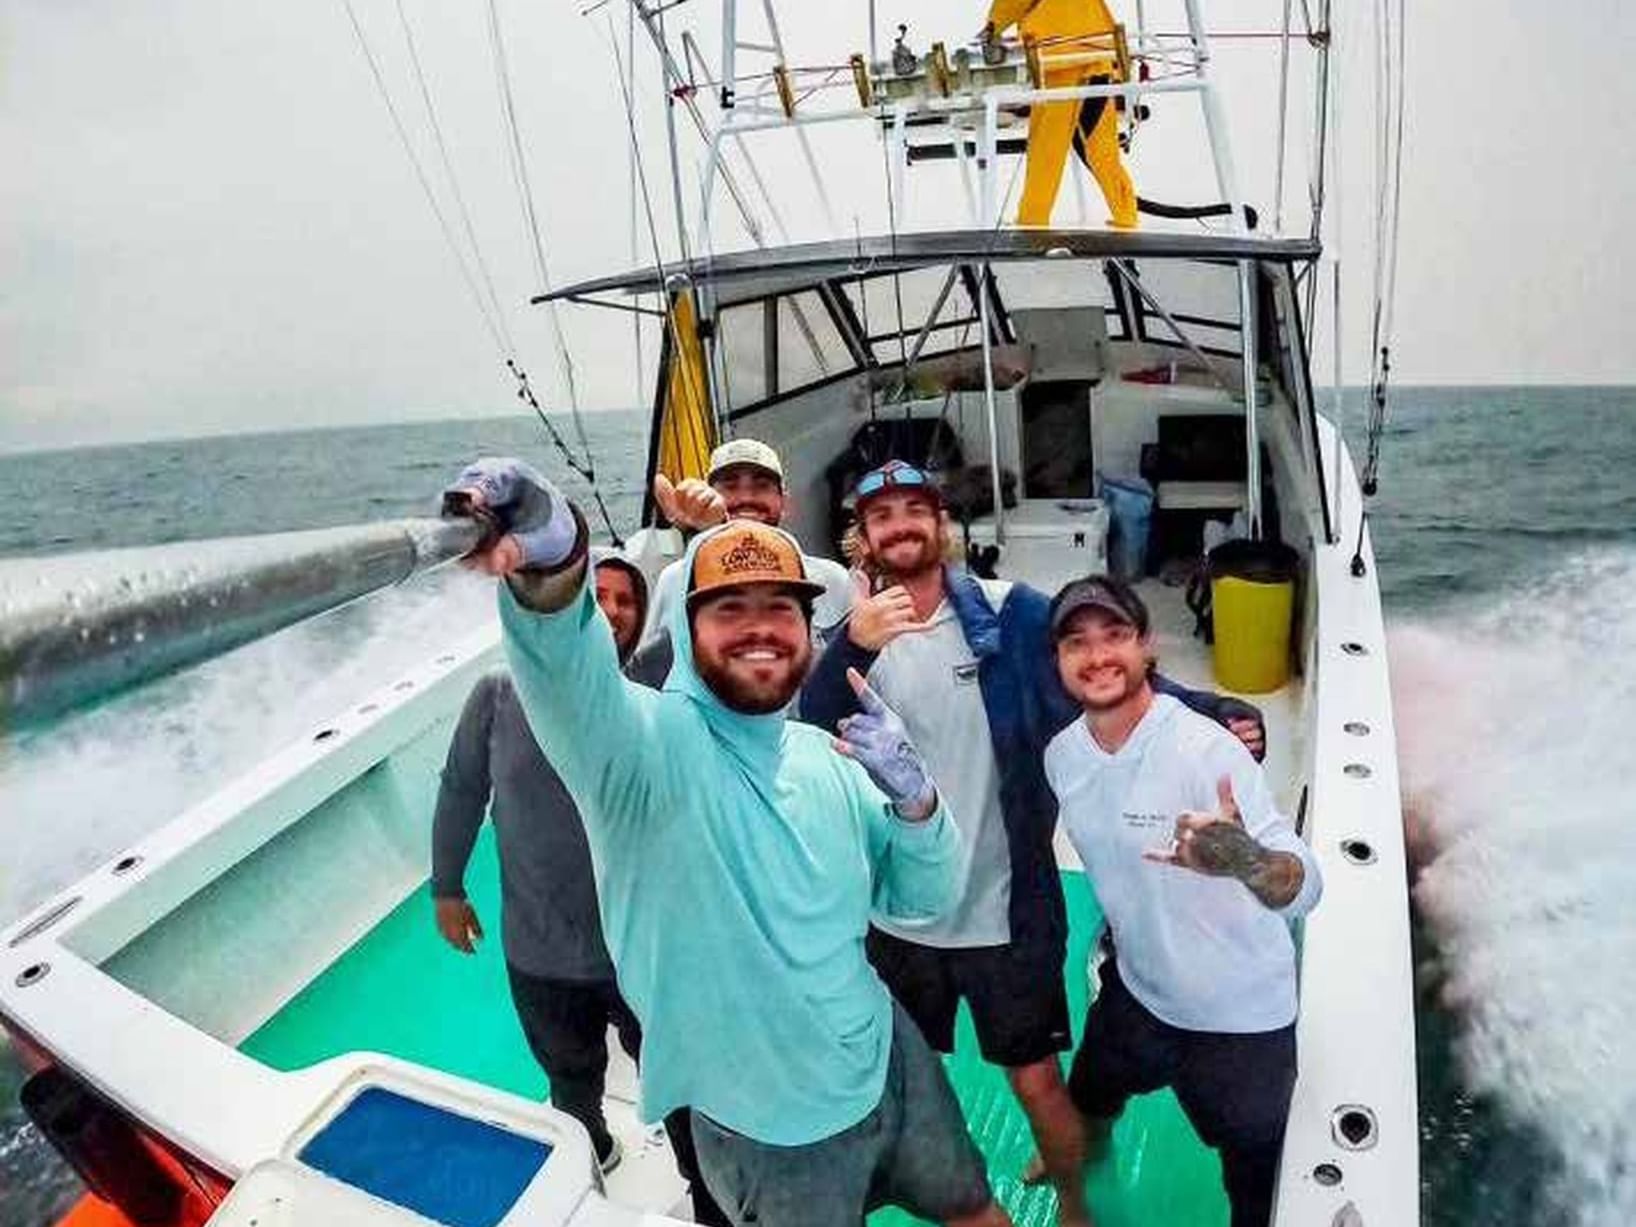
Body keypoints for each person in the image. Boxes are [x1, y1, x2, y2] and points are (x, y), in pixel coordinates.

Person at [444, 455, 1013, 1227]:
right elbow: (565, 667)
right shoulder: (638, 750)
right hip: (770, 1131)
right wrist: (553, 558)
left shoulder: (830, 756)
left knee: (978, 1207)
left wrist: (918, 804)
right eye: (728, 607)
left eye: (781, 608)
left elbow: (925, 897)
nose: (759, 628)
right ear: (685, 626)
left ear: (808, 629)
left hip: (888, 1059)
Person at [801, 460, 1267, 1227]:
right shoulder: (838, 631)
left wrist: (1212, 707)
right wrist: (850, 648)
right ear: (862, 535)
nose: (903, 525)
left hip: (1001, 913)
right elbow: (801, 738)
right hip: (890, 913)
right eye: (883, 515)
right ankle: (941, 1192)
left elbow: (1103, 676)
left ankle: (1076, 1205)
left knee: (1035, 1080)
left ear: (942, 523)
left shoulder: (1006, 613)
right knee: (892, 1078)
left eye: (917, 508)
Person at [431, 550, 729, 1223]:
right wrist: (446, 885)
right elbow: (460, 789)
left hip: (644, 950)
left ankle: (712, 1198)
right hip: (539, 950)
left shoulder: (658, 688)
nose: (615, 610)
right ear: (570, 610)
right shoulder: (496, 696)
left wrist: (699, 528)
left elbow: (704, 619)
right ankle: (588, 1153)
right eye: (599, 596)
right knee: (569, 1080)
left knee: (679, 1083)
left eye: (630, 599)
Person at [1043, 575, 1321, 1227]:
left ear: (1148, 646)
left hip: (1241, 1018)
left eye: (1115, 635)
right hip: (1139, 990)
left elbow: (1306, 883)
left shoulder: (1206, 749)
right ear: (1057, 660)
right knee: (1092, 1089)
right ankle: (1085, 1154)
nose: (1098, 654)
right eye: (1077, 641)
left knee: (1255, 1185)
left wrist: (1246, 859)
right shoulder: (1062, 755)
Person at [641, 438, 851, 652]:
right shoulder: (676, 578)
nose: (746, 497)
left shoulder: (834, 578)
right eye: (730, 486)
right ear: (708, 497)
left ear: (784, 503)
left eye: (762, 486)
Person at [982, 0, 1137, 229]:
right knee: (1101, 144)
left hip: (1058, 55)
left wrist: (992, 28)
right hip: (1098, 50)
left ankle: (1032, 218)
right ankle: (1126, 215)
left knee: (1047, 145)